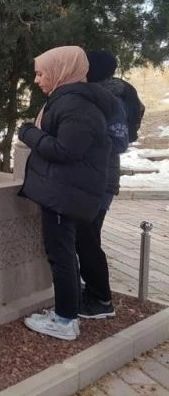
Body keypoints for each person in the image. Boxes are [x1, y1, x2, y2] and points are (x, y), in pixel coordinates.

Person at [17, 46, 117, 340]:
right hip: (64, 190)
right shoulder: (69, 101)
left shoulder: (75, 105)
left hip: (65, 193)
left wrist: (28, 133)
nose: (37, 80)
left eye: (40, 73)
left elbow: (66, 150)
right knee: (63, 254)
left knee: (61, 255)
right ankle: (66, 312)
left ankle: (65, 321)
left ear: (60, 71)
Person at [76, 50, 146, 319]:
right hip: (101, 176)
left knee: (88, 238)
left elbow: (117, 140)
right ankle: (94, 292)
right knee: (88, 236)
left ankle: (100, 299)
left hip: (100, 177)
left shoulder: (106, 97)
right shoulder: (117, 91)